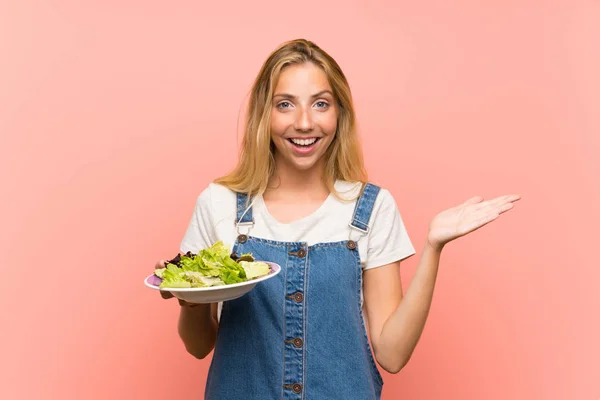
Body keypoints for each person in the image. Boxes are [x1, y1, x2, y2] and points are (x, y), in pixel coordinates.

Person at [155, 39, 520, 400]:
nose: (304, 122)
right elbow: (198, 346)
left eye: (320, 104)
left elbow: (392, 355)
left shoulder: (370, 207)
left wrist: (433, 247)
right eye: (285, 105)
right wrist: (190, 302)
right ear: (263, 116)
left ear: (339, 113)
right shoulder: (219, 203)